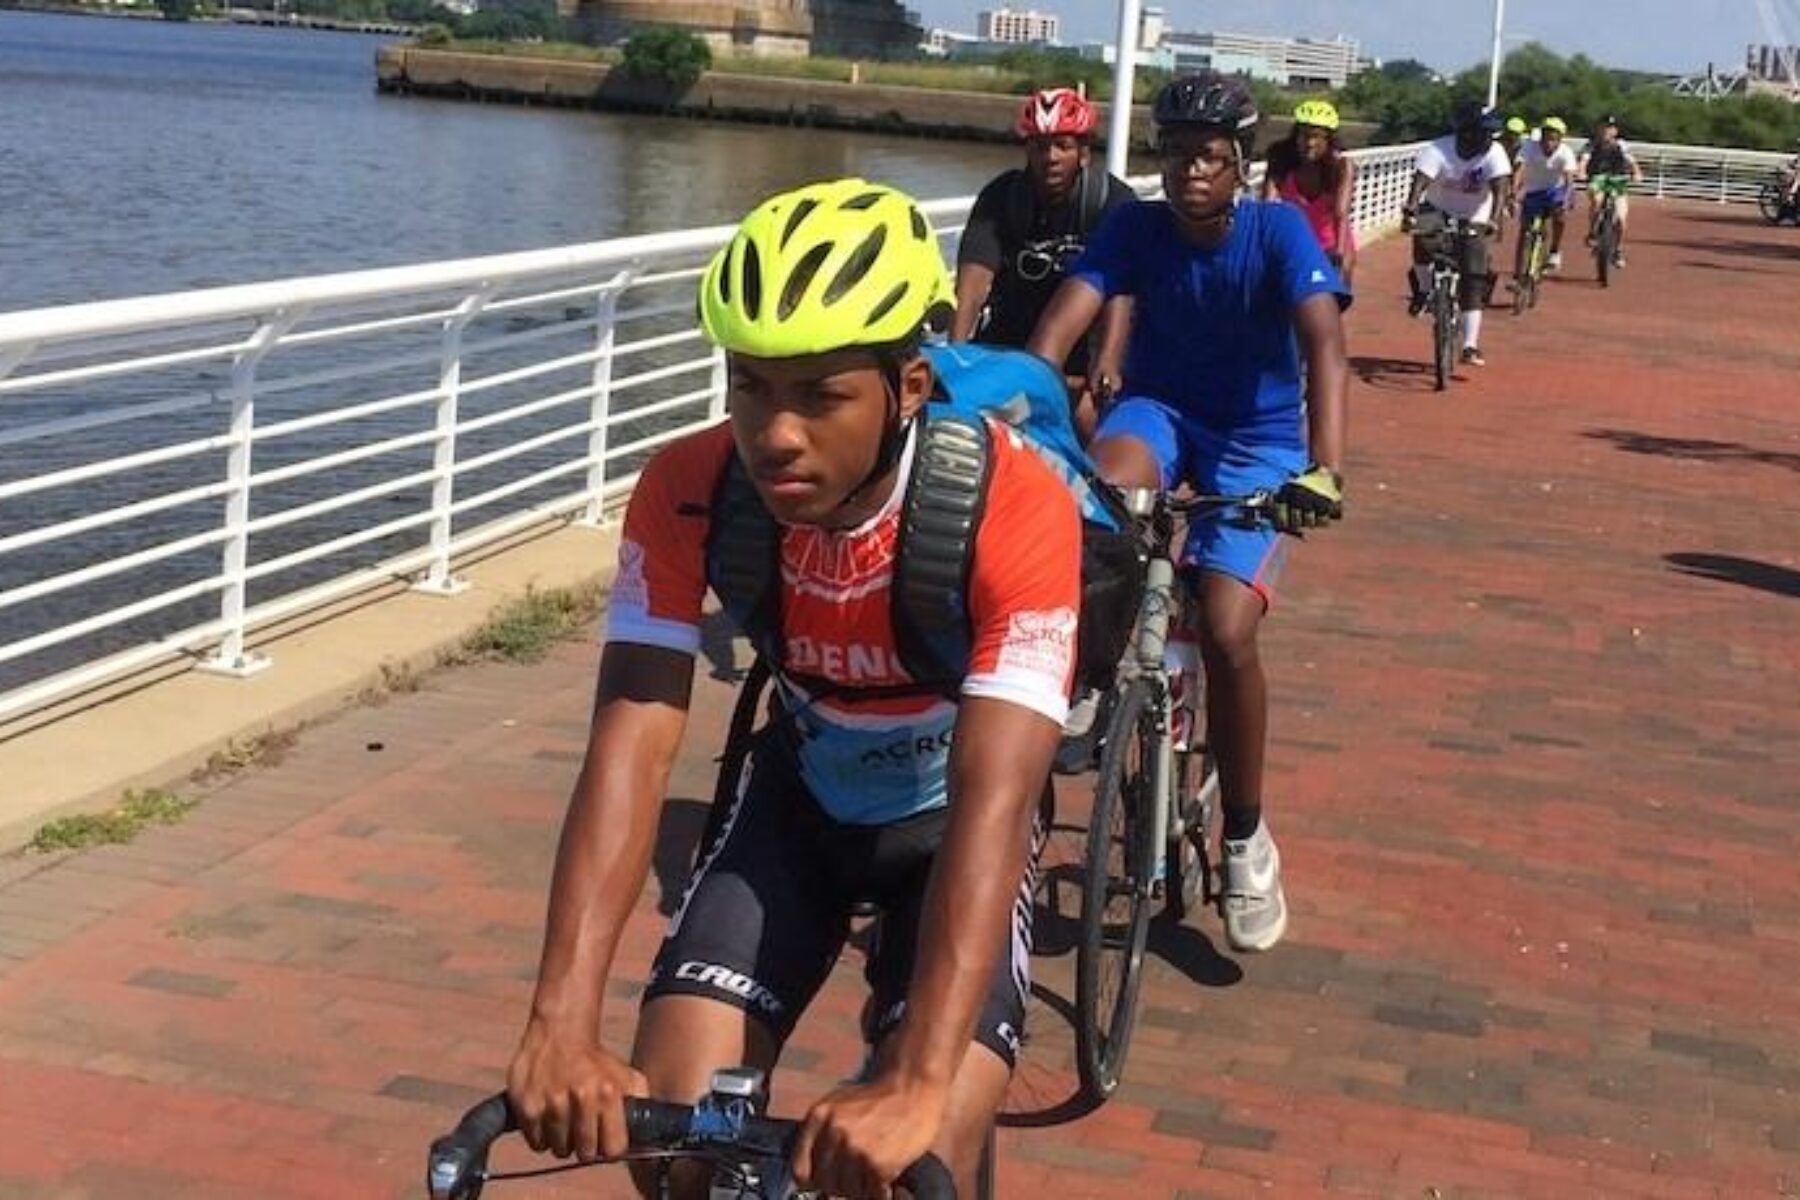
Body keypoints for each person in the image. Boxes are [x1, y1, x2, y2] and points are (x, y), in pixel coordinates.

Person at [505, 178, 1084, 1199]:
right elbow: (632, 742)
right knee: (676, 1147)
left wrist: (914, 1079)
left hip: (954, 821)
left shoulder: (1015, 503)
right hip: (800, 799)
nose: (775, 434)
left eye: (819, 394)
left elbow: (998, 797)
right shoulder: (687, 488)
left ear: (907, 388)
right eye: (751, 386)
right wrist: (559, 1023)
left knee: (925, 1148)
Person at [1029, 72, 1351, 955]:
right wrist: (1022, 413)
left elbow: (1324, 340)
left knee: (1223, 623)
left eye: (1208, 156)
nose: (1189, 172)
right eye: (1174, 155)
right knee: (1102, 503)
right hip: (1158, 412)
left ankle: (1245, 836)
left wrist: (1324, 469)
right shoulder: (1133, 225)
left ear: (1240, 166)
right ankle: (1096, 677)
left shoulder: (1278, 231)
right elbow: (1061, 328)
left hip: (1258, 439)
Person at [954, 87, 1137, 437]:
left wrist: (1108, 359)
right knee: (973, 425)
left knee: (1091, 424)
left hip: (1081, 360)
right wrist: (956, 355)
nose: (1050, 157)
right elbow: (974, 284)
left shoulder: (1113, 202)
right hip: (1010, 346)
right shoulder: (1002, 196)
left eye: (1063, 147)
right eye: (1039, 146)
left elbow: (1121, 290)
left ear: (1084, 153)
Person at [1402, 100, 1511, 367]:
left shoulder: (1495, 153)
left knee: (1474, 274)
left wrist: (1493, 222)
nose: (1489, 138)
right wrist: (1411, 210)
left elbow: (1500, 191)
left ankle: (1470, 345)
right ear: (1466, 131)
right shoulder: (1438, 149)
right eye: (1483, 132)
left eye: (1491, 132)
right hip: (1438, 207)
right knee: (1424, 240)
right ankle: (1424, 290)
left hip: (1476, 213)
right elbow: (1420, 184)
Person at [1261, 98, 1360, 287]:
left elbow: (1341, 212)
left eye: (1316, 137)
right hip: (1295, 240)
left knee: (1335, 292)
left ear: (1328, 140)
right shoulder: (1282, 161)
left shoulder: (1341, 166)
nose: (1309, 143)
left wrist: (1338, 254)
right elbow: (1268, 205)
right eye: (1303, 136)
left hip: (1332, 240)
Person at [1511, 116, 1579, 277]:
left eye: (1554, 139)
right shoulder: (1529, 147)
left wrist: (1567, 198)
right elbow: (1519, 169)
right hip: (1533, 190)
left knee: (1559, 216)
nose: (1549, 142)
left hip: (1555, 190)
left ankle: (1554, 249)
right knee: (1525, 231)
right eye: (1546, 137)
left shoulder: (1565, 153)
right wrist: (1514, 191)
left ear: (1560, 140)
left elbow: (1569, 178)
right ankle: (1518, 274)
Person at [1577, 114, 1644, 268]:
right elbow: (1584, 160)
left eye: (1610, 128)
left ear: (1615, 131)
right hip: (1598, 178)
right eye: (1604, 127)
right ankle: (1593, 231)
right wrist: (1581, 171)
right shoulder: (1591, 144)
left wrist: (1637, 173)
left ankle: (1618, 249)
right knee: (1597, 199)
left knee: (1621, 218)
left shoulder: (1622, 145)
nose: (1607, 131)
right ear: (1598, 129)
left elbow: (1631, 160)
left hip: (1617, 180)